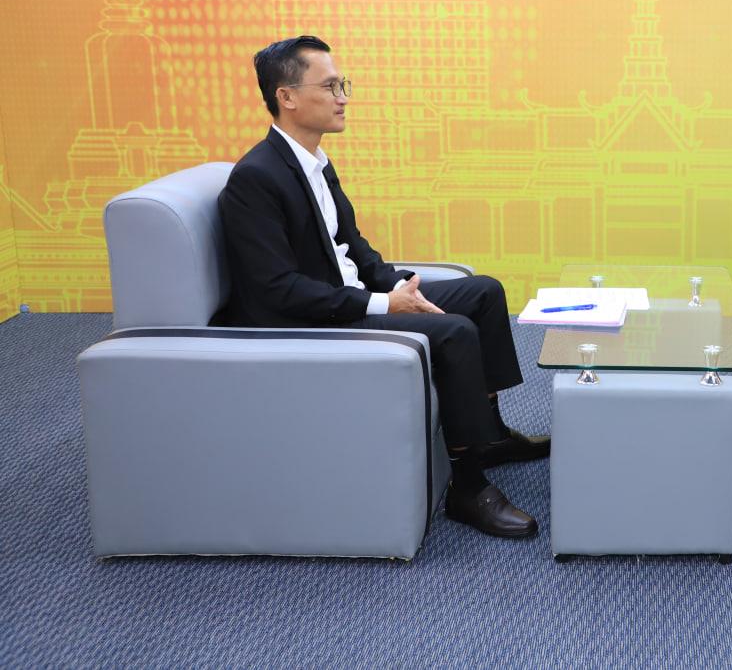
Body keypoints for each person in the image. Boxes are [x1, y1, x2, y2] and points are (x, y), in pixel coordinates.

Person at [217, 35, 548, 539]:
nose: (343, 98)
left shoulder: (314, 162)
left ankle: (492, 435)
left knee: (483, 291)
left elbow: (353, 247)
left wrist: (399, 287)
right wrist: (382, 303)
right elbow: (277, 290)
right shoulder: (256, 179)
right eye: (330, 87)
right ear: (287, 97)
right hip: (312, 320)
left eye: (342, 85)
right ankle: (467, 484)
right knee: (454, 331)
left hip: (350, 297)